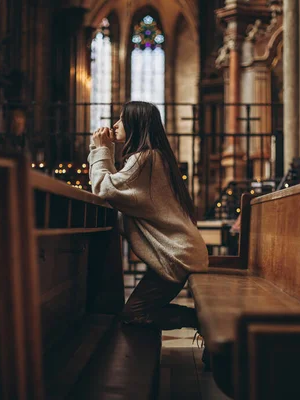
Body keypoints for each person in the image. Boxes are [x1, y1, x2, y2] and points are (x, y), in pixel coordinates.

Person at [87, 101, 209, 331]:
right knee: (136, 312)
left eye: (122, 119)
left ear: (136, 124)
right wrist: (106, 151)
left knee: (134, 314)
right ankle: (203, 321)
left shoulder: (146, 159)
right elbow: (119, 190)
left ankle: (205, 322)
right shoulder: (152, 157)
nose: (115, 124)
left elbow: (104, 187)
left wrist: (101, 149)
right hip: (178, 253)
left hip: (176, 256)